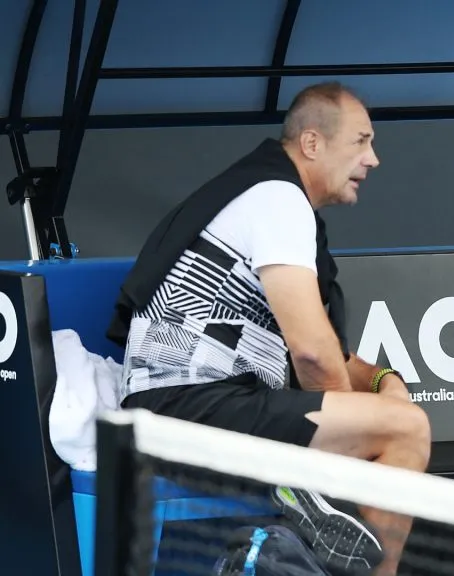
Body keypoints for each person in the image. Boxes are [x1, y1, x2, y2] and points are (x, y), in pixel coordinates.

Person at [107, 82, 429, 576]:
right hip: (181, 406)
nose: (374, 159)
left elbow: (331, 355)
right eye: (361, 141)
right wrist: (364, 420)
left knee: (397, 418)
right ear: (313, 144)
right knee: (406, 430)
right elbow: (313, 355)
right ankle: (313, 504)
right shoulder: (279, 200)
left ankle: (308, 512)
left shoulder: (275, 198)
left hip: (208, 400)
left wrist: (385, 385)